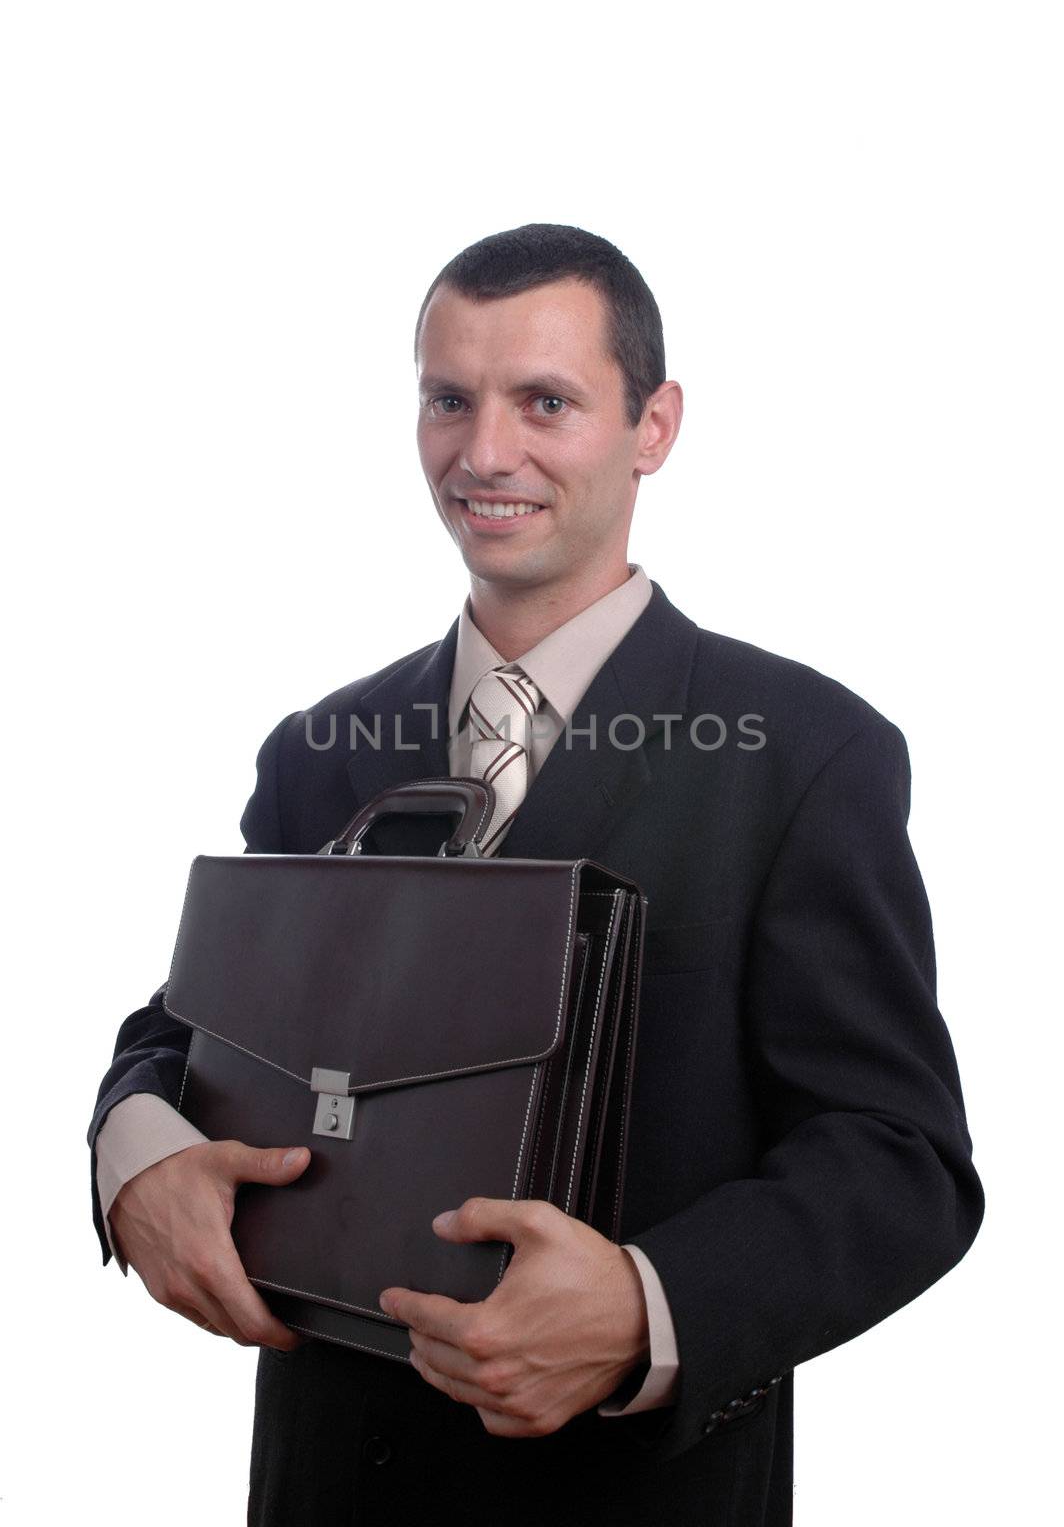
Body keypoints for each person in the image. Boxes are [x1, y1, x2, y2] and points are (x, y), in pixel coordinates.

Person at [88, 223, 984, 1526]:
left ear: (654, 425)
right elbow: (187, 1032)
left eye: (544, 402)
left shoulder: (807, 753)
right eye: (449, 399)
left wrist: (648, 1304)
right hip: (327, 1485)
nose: (485, 452)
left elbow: (901, 1161)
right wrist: (136, 1155)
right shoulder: (316, 754)